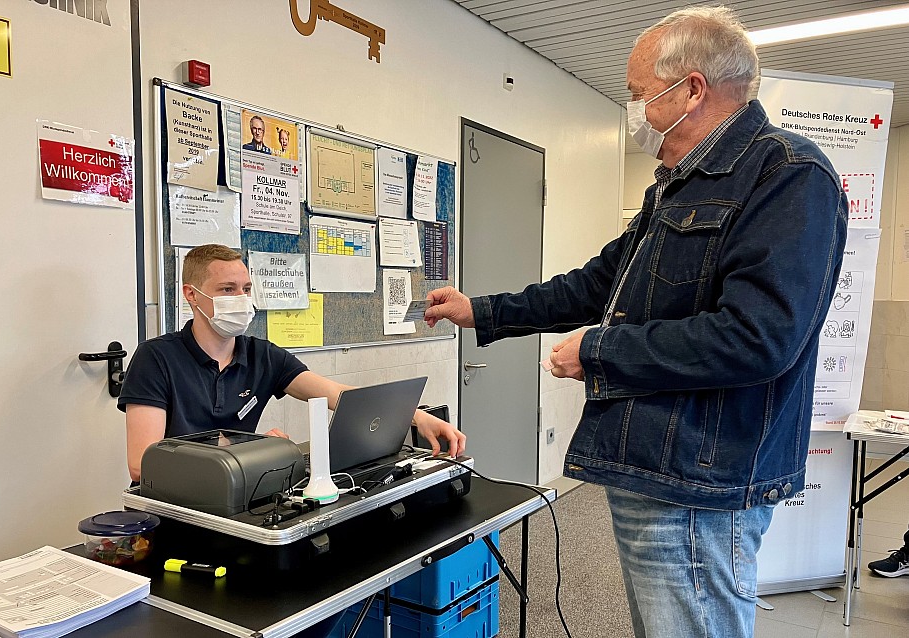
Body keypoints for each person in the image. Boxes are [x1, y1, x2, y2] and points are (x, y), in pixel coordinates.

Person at [424, 6, 847, 638]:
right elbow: (597, 285)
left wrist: (599, 352)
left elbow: (759, 338)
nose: (635, 113)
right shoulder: (674, 188)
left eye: (639, 95)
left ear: (692, 90)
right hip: (651, 465)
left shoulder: (786, 174)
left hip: (700, 482)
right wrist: (482, 311)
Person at [119, 243, 464, 485]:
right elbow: (142, 466)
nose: (240, 299)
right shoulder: (156, 358)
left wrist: (417, 417)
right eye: (227, 289)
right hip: (175, 510)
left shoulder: (263, 355)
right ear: (191, 294)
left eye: (246, 288)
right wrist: (245, 447)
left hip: (235, 494)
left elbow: (338, 395)